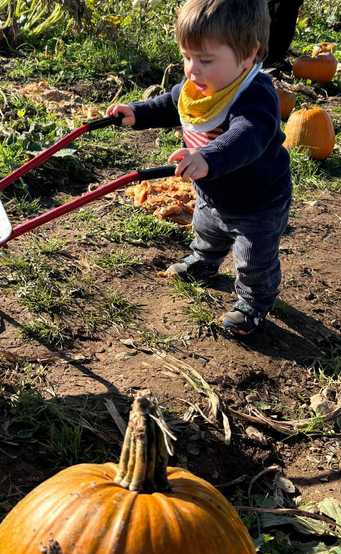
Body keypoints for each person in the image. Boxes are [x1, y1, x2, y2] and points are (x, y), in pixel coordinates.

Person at [106, 0, 291, 336]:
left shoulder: (255, 95)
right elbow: (171, 103)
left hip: (257, 202)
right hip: (212, 191)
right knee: (207, 230)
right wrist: (138, 113)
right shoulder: (200, 87)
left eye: (205, 60)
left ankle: (254, 302)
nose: (193, 69)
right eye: (187, 57)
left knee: (253, 259)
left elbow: (247, 135)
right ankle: (203, 262)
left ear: (249, 55)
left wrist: (208, 157)